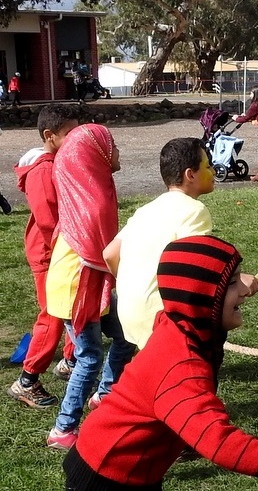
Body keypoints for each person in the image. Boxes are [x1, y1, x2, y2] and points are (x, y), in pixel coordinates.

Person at [62, 235, 258, 491]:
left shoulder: (179, 325)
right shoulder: (181, 365)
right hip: (106, 473)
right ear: (202, 299)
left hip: (131, 467)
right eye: (233, 283)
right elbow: (216, 442)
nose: (245, 290)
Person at [45, 124, 137, 449]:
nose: (117, 152)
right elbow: (107, 252)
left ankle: (105, 395)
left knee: (126, 337)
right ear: (95, 152)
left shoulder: (93, 186)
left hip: (85, 281)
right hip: (77, 287)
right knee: (89, 358)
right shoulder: (94, 199)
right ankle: (63, 429)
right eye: (112, 145)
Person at [103, 137, 215, 352]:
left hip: (130, 313)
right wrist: (237, 282)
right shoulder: (194, 210)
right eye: (208, 166)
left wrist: (136, 286)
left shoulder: (146, 209)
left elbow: (110, 254)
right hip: (162, 318)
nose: (213, 172)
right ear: (190, 175)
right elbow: (194, 271)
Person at [7, 105, 79, 410]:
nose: (76, 139)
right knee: (53, 315)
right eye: (69, 134)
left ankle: (70, 360)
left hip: (64, 249)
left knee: (76, 307)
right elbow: (49, 219)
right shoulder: (43, 169)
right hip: (50, 253)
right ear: (49, 136)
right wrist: (76, 241)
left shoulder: (58, 162)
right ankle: (27, 380)